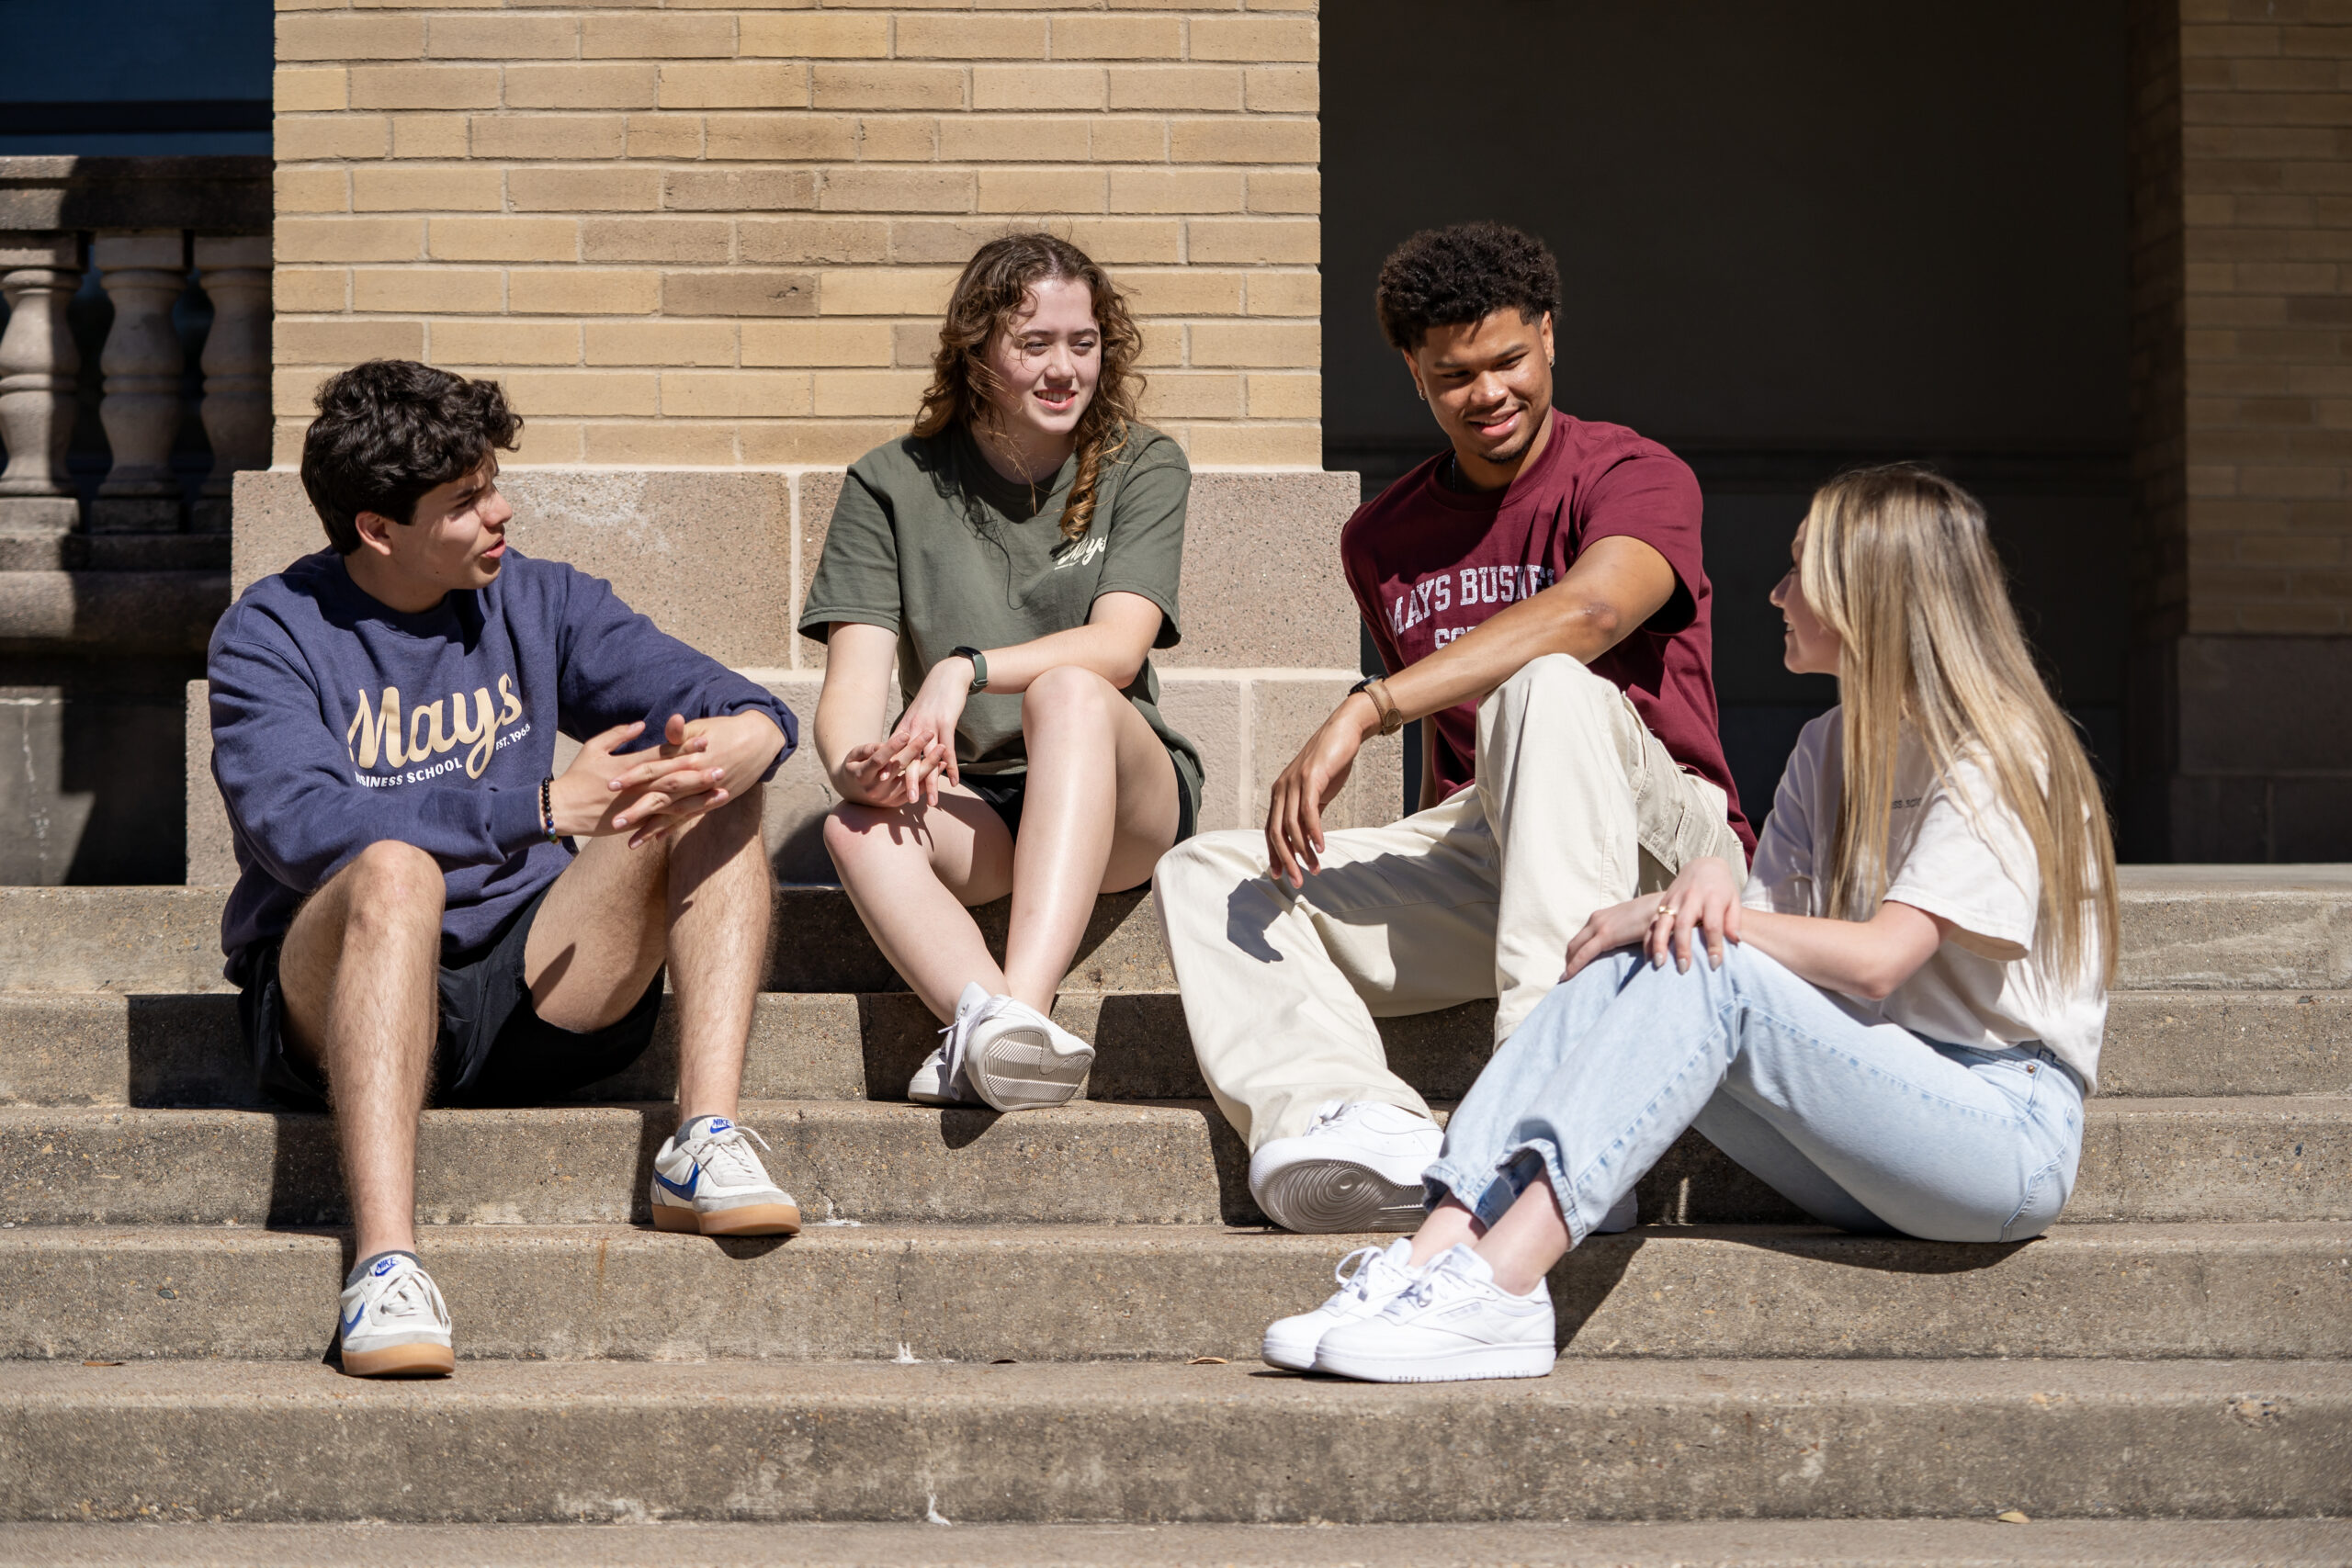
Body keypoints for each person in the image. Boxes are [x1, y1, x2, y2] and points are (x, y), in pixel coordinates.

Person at [1264, 465, 2118, 1382]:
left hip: (1999, 1137)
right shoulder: (1826, 748)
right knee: (1649, 951)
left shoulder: (1998, 752)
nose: (1775, 593)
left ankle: (1505, 1289)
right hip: (1862, 1130)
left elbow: (1877, 961)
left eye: (1800, 572)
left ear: (1867, 594)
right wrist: (1709, 878)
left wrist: (1678, 907)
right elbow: (1771, 944)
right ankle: (1436, 1253)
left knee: (1688, 946)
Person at [1152, 222, 1751, 1233]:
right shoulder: (1382, 539)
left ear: (1550, 338)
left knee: (1545, 686)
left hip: (1664, 847)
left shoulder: (1633, 474)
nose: (1487, 394)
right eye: (1454, 374)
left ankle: (1547, 1111)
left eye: (1508, 360)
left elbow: (1594, 612)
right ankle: (1349, 1120)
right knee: (1208, 877)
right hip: (1497, 850)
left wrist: (1370, 703)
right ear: (1413, 373)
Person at [209, 360, 803, 1379]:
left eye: (491, 482)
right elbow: (299, 826)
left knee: (704, 773)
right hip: (341, 994)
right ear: (377, 529)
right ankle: (386, 1267)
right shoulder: (272, 632)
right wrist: (532, 808)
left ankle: (703, 1138)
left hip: (536, 986)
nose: (501, 512)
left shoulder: (539, 599)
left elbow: (709, 692)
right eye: (466, 501)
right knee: (393, 870)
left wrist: (757, 729)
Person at [803, 232, 1201, 1111]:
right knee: (851, 827)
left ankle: (1020, 1005)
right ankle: (993, 1032)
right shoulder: (888, 485)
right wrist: (857, 767)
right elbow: (851, 697)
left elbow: (1118, 647)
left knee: (1068, 689)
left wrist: (965, 668)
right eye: (1035, 345)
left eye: (1084, 343)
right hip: (980, 804)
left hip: (1124, 798)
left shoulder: (1144, 462)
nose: (1065, 370)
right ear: (979, 353)